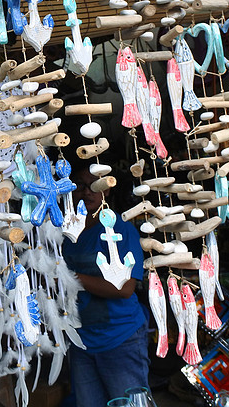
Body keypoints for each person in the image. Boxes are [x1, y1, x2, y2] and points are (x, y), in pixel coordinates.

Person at [62, 162, 148, 405]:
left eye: (94, 185)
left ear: (107, 189)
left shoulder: (121, 231)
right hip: (81, 339)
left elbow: (124, 289)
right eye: (79, 185)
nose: (86, 191)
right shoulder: (68, 232)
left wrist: (71, 277)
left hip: (120, 337)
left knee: (129, 403)